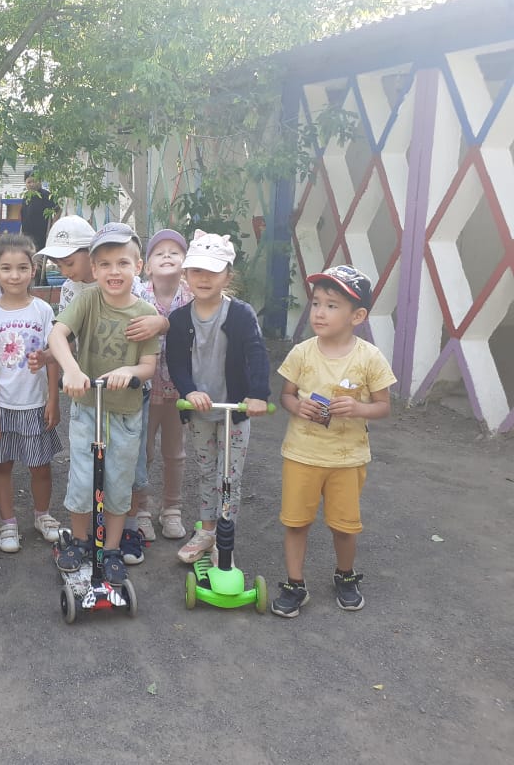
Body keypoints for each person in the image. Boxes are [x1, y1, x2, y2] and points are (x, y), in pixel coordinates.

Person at [271, 265, 396, 618]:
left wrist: (358, 408)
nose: (319, 312)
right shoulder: (302, 352)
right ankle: (295, 583)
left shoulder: (369, 357)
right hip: (301, 454)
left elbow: (384, 406)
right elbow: (286, 395)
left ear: (357, 316)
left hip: (347, 459)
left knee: (344, 526)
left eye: (331, 305)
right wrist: (298, 406)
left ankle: (345, 575)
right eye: (316, 303)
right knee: (296, 522)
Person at [47, 222, 160, 586]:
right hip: (87, 408)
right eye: (106, 264)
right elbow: (57, 334)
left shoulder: (145, 311)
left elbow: (148, 366)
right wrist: (71, 369)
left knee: (118, 482)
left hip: (125, 412)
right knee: (82, 480)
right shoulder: (87, 300)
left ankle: (110, 548)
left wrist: (130, 371)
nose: (114, 271)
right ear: (94, 269)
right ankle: (80, 541)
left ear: (137, 267)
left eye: (123, 263)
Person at [165, 231, 270, 564]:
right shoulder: (179, 319)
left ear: (228, 275)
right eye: (196, 270)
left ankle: (225, 539)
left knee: (230, 477)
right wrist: (189, 391)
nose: (204, 278)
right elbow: (176, 362)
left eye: (213, 271)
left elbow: (257, 353)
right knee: (207, 471)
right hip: (200, 411)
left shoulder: (241, 314)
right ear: (186, 274)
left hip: (233, 409)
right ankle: (207, 530)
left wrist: (257, 394)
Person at [0, 235, 62, 552]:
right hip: (1, 406)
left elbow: (53, 356)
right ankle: (8, 523)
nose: (15, 275)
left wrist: (53, 399)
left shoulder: (42, 310)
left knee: (41, 466)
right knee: (2, 466)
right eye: (7, 268)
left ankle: (43, 515)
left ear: (33, 270)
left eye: (22, 268)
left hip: (36, 404)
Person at [136, 229, 193, 540]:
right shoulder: (137, 296)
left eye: (175, 252)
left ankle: (172, 508)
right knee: (142, 452)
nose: (167, 255)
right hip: (144, 391)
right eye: (159, 252)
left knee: (175, 452)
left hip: (178, 390)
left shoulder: (193, 296)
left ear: (185, 263)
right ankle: (141, 509)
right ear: (147, 266)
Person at [20, 170, 59, 257]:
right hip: (27, 233)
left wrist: (53, 225)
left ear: (40, 181)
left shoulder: (46, 195)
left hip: (41, 234)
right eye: (29, 182)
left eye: (34, 181)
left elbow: (58, 209)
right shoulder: (26, 196)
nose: (31, 184)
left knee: (38, 257)